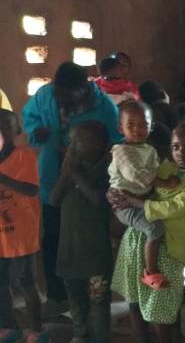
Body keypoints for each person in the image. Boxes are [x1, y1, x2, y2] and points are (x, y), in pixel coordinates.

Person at [22, 61, 123, 313]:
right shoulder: (45, 94)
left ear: (83, 88)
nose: (61, 98)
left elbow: (115, 141)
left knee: (89, 239)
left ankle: (94, 298)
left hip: (90, 180)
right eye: (58, 92)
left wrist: (87, 154)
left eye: (68, 94)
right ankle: (57, 296)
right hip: (52, 175)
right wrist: (38, 132)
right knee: (53, 237)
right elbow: (29, 117)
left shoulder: (103, 106)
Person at [108, 121, 185, 343]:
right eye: (176, 147)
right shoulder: (165, 169)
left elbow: (176, 207)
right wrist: (116, 194)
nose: (181, 153)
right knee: (135, 300)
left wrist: (134, 201)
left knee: (162, 308)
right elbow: (137, 185)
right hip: (139, 238)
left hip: (169, 247)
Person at [49, 121, 113, 343]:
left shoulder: (107, 168)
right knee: (76, 301)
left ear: (98, 144)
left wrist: (74, 172)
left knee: (98, 302)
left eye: (77, 140)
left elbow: (98, 199)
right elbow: (54, 199)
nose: (71, 144)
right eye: (71, 139)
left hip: (96, 255)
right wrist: (68, 173)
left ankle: (98, 338)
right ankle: (80, 335)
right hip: (70, 251)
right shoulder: (72, 168)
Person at [110, 101, 182, 290]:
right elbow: (136, 174)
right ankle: (150, 272)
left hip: (141, 199)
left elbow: (159, 168)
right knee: (155, 229)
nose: (136, 129)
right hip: (125, 204)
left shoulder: (148, 150)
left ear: (151, 127)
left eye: (143, 124)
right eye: (130, 125)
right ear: (120, 128)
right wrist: (165, 183)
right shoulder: (122, 151)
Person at [0, 109, 44, 343]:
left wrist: (2, 178)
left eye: (6, 126)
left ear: (17, 130)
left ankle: (36, 329)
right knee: (1, 282)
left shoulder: (24, 155)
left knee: (27, 281)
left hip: (20, 234)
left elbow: (32, 189)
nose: (1, 131)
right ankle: (8, 327)